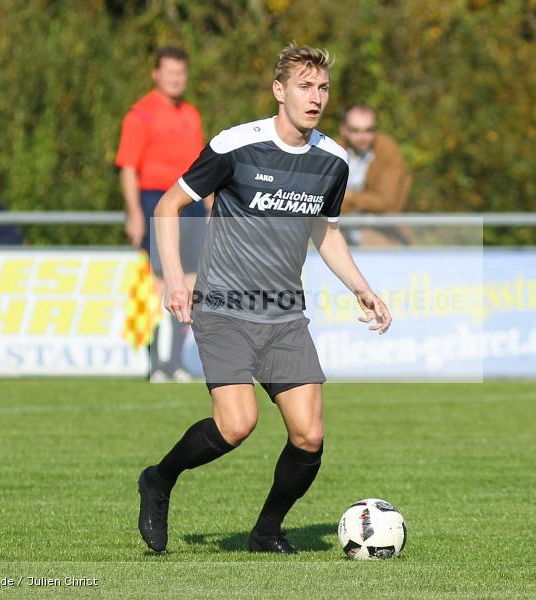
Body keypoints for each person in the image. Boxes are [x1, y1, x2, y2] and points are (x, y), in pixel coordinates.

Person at [136, 44, 392, 555]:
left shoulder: (332, 161)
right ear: (279, 91)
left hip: (284, 315)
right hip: (224, 307)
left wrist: (362, 289)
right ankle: (159, 480)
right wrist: (173, 280)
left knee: (309, 435)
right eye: (304, 86)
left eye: (322, 88)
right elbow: (168, 206)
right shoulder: (235, 145)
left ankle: (267, 531)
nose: (315, 97)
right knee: (237, 424)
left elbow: (326, 232)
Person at [115, 46, 207, 383]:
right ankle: (155, 363)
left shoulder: (191, 114)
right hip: (156, 200)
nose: (176, 79)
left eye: (181, 73)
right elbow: (127, 167)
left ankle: (176, 362)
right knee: (158, 284)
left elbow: (203, 167)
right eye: (170, 72)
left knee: (192, 282)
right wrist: (134, 212)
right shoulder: (140, 114)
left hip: (192, 201)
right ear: (156, 73)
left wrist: (210, 209)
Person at [337, 104, 411, 246]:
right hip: (337, 227)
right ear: (344, 130)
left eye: (369, 130)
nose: (363, 137)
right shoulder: (334, 149)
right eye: (355, 130)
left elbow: (387, 203)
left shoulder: (388, 150)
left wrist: (349, 197)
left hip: (380, 229)